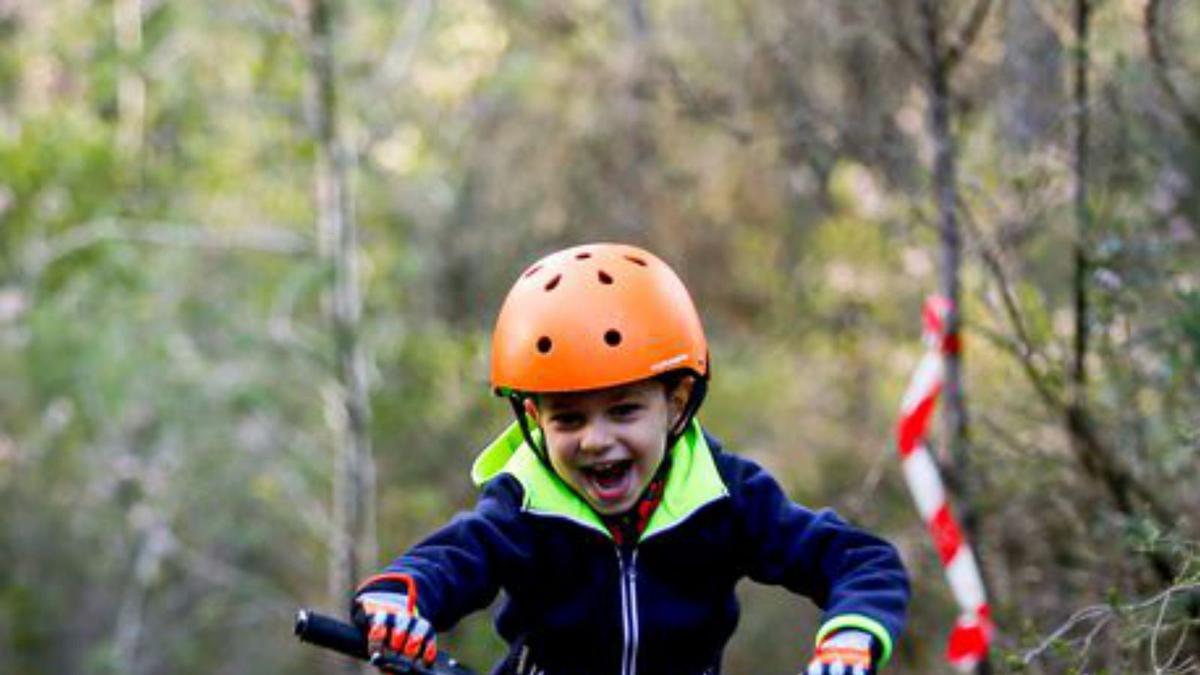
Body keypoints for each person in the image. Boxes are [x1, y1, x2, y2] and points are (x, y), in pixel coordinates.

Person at [352, 243, 910, 675]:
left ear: (676, 403)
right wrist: (398, 602)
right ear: (534, 420)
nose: (595, 441)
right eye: (568, 419)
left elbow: (860, 560)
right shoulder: (522, 505)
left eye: (622, 411)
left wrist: (850, 636)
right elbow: (450, 561)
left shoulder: (724, 496)